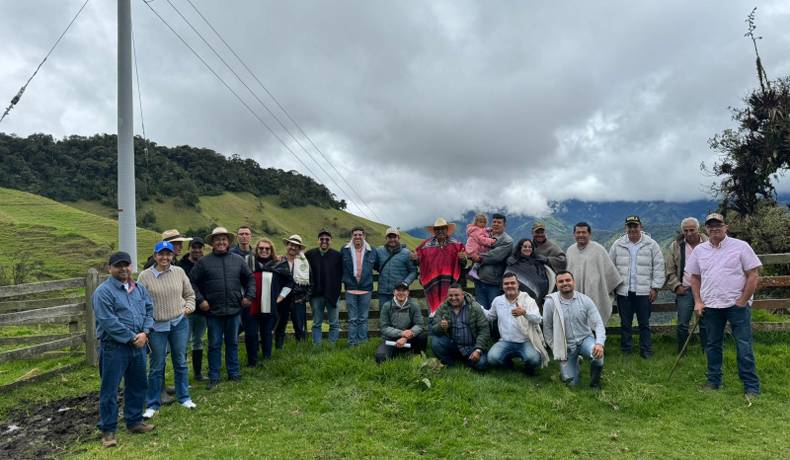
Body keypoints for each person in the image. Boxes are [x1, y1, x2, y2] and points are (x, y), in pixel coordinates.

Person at [686, 213, 761, 398]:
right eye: (710, 226)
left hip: (737, 305)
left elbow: (753, 275)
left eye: (718, 225)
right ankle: (714, 381)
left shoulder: (741, 246)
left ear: (726, 227)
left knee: (743, 345)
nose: (714, 229)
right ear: (706, 229)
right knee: (712, 344)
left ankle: (751, 386)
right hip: (711, 306)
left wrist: (743, 300)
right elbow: (694, 277)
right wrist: (698, 301)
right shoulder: (700, 251)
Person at [93, 251, 155, 448]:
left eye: (126, 265)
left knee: (138, 384)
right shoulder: (103, 292)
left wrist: (145, 332)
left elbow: (149, 310)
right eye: (118, 265)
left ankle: (134, 421)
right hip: (114, 348)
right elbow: (108, 321)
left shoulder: (139, 288)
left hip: (139, 345)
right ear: (109, 268)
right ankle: (108, 430)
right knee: (110, 389)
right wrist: (132, 337)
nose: (123, 269)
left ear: (131, 266)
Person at [190, 227, 255, 389]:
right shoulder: (203, 262)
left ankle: (234, 373)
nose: (221, 242)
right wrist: (200, 300)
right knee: (214, 345)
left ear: (228, 242)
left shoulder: (238, 260)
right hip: (213, 312)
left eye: (224, 239)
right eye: (217, 239)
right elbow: (191, 283)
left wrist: (249, 296)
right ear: (212, 242)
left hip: (234, 310)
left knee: (232, 343)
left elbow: (250, 278)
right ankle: (214, 376)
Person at [137, 241, 197, 419]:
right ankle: (153, 403)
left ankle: (184, 397)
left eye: (168, 254)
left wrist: (188, 308)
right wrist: (145, 325)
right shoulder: (144, 276)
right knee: (157, 365)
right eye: (161, 254)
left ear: (172, 256)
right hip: (157, 327)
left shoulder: (179, 272)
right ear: (155, 255)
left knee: (180, 361)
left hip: (179, 323)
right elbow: (139, 302)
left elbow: (189, 295)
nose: (165, 257)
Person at [609, 216, 665, 358]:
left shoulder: (651, 244)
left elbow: (659, 267)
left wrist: (655, 288)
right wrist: (613, 286)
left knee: (644, 323)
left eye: (635, 226)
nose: (632, 229)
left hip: (644, 291)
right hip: (624, 291)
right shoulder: (618, 244)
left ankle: (646, 350)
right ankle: (626, 350)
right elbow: (610, 266)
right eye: (630, 226)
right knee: (625, 323)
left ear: (641, 227)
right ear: (625, 228)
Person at [542, 270, 606, 388]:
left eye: (568, 280)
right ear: (557, 285)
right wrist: (557, 349)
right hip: (566, 346)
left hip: (585, 339)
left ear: (573, 282)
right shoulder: (550, 302)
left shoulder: (585, 300)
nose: (565, 283)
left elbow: (598, 324)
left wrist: (599, 343)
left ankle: (595, 383)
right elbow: (547, 328)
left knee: (598, 358)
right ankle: (575, 362)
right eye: (561, 281)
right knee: (571, 384)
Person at [484, 273, 549, 374]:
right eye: (506, 283)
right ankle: (508, 364)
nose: (509, 285)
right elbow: (489, 316)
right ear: (502, 286)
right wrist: (477, 306)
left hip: (526, 341)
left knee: (533, 359)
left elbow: (538, 319)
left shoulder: (528, 300)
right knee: (492, 358)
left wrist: (525, 313)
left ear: (518, 284)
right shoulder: (498, 300)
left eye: (512, 283)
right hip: (505, 341)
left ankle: (529, 367)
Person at [665, 217, 708, 353]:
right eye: (686, 230)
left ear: (698, 229)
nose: (689, 233)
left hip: (706, 290)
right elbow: (669, 269)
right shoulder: (676, 246)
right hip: (685, 290)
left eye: (692, 230)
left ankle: (707, 351)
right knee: (683, 323)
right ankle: (682, 351)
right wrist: (677, 286)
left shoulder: (708, 243)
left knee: (705, 322)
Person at [566, 222, 622, 325]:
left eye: (584, 232)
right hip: (575, 293)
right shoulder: (570, 251)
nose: (581, 235)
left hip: (595, 294)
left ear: (590, 234)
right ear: (574, 234)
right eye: (578, 232)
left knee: (594, 324)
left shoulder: (599, 250)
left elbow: (611, 274)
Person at [412, 218, 466, 318]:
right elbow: (418, 261)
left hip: (450, 285)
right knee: (433, 313)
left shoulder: (456, 245)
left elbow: (463, 264)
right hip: (432, 285)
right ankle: (434, 328)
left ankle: (450, 327)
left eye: (442, 228)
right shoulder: (425, 246)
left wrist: (462, 259)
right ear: (434, 231)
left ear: (447, 230)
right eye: (437, 229)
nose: (440, 231)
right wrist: (415, 259)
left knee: (451, 312)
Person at [430, 284, 490, 370]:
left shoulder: (474, 307)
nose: (453, 298)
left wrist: (478, 350)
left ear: (463, 295)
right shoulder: (443, 308)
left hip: (472, 346)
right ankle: (449, 363)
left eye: (456, 295)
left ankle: (468, 358)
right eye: (450, 295)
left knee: (482, 364)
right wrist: (441, 326)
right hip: (453, 345)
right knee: (436, 341)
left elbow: (484, 330)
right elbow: (434, 329)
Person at [247, 237, 284, 363]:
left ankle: (267, 359)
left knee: (267, 333)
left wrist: (281, 296)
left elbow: (289, 282)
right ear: (256, 249)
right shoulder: (249, 263)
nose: (264, 250)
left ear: (271, 250)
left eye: (267, 249)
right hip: (251, 305)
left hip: (270, 305)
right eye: (261, 248)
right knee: (251, 334)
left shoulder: (278, 265)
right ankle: (252, 361)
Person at [305, 229, 343, 346]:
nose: (324, 241)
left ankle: (332, 345)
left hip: (332, 294)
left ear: (331, 241)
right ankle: (317, 346)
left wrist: (337, 291)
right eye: (322, 239)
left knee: (334, 323)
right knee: (316, 323)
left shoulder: (337, 256)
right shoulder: (309, 254)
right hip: (316, 295)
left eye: (327, 239)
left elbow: (341, 274)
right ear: (318, 240)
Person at [468, 213, 513, 311]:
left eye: (499, 222)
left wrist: (478, 257)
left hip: (494, 283)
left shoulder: (507, 240)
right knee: (481, 311)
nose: (496, 224)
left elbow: (495, 256)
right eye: (494, 222)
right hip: (479, 280)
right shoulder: (486, 234)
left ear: (504, 225)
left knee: (494, 311)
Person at [274, 234, 312, 347]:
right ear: (287, 245)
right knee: (280, 325)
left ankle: (301, 350)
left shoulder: (304, 264)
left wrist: (304, 298)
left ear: (299, 248)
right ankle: (278, 349)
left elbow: (311, 282)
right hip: (282, 299)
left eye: (296, 246)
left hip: (298, 298)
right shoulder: (279, 262)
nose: (293, 247)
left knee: (300, 326)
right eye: (291, 244)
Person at [178, 237, 208, 381]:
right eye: (194, 247)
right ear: (189, 248)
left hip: (203, 310)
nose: (197, 250)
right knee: (184, 343)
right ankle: (182, 376)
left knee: (198, 340)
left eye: (199, 247)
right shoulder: (181, 265)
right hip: (186, 310)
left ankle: (198, 373)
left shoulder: (206, 263)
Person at [341, 227, 378, 346]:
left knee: (363, 318)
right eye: (355, 235)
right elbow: (339, 267)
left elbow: (378, 265)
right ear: (352, 236)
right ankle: (352, 343)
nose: (357, 237)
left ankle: (362, 343)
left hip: (366, 289)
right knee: (352, 319)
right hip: (350, 289)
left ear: (364, 236)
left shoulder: (372, 250)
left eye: (360, 234)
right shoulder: (345, 249)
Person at [375, 282, 427, 364]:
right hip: (391, 340)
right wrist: (401, 333)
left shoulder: (414, 306)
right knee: (380, 358)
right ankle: (394, 352)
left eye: (404, 290)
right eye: (398, 290)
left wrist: (406, 337)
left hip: (409, 339)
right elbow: (384, 327)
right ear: (394, 292)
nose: (401, 293)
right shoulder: (387, 306)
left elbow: (419, 325)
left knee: (422, 336)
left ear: (408, 292)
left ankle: (417, 354)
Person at [374, 227, 417, 307]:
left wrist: (405, 283)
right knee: (384, 314)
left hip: (400, 292)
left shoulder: (406, 253)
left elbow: (413, 271)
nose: (392, 239)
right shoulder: (379, 251)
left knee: (401, 314)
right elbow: (373, 264)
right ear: (386, 238)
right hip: (383, 292)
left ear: (398, 238)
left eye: (394, 237)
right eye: (390, 237)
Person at [506, 238, 552, 306]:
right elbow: (507, 279)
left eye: (530, 247)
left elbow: (543, 279)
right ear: (520, 248)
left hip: (535, 299)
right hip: (516, 299)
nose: (527, 249)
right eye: (525, 247)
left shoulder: (537, 262)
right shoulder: (513, 262)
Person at [465, 213, 496, 280]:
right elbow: (481, 240)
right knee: (481, 260)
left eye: (484, 222)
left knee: (480, 260)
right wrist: (492, 241)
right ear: (476, 222)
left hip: (475, 250)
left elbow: (484, 230)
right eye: (481, 222)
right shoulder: (476, 230)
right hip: (473, 251)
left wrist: (489, 229)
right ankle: (472, 271)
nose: (483, 224)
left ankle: (472, 271)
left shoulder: (479, 229)